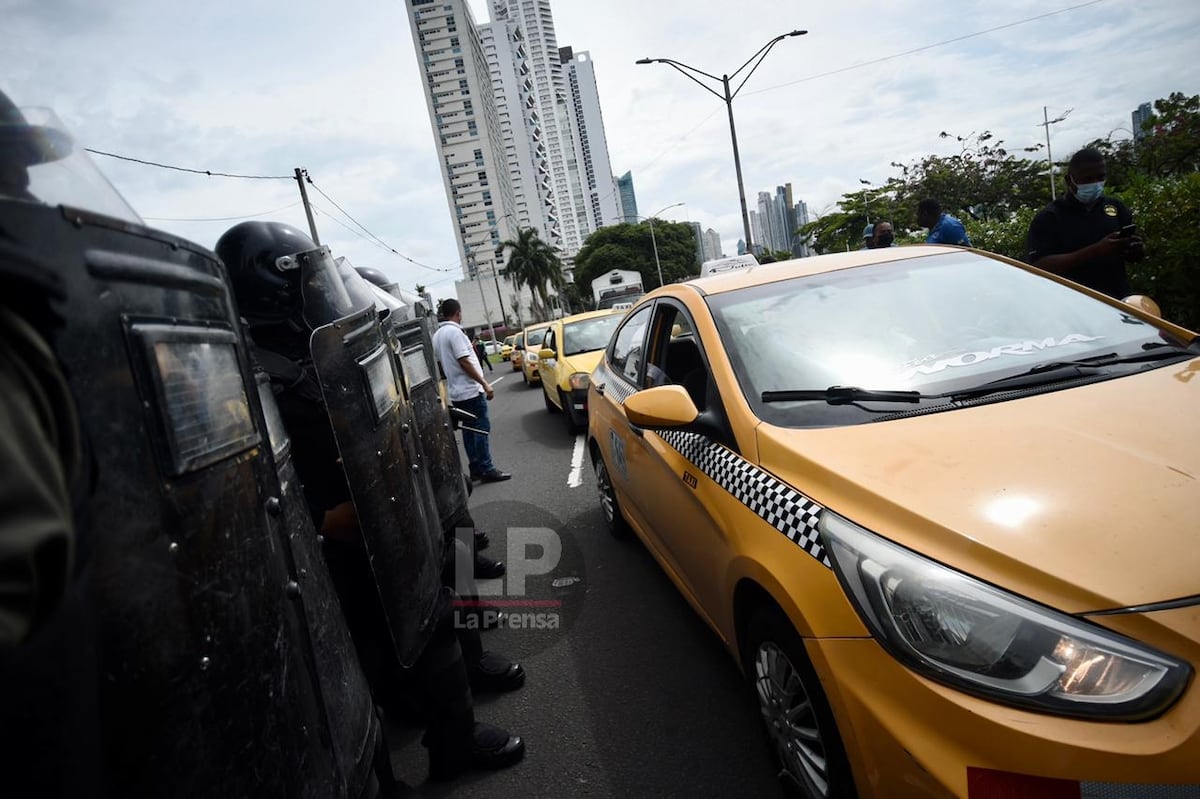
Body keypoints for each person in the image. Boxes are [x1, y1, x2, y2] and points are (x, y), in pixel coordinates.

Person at [215, 222, 525, 782]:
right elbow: (242, 484)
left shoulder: (317, 351)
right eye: (307, 278)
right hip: (326, 550)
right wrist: (317, 521)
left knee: (434, 611)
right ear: (272, 284)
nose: (320, 289)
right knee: (356, 666)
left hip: (386, 516)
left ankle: (458, 715)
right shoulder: (246, 373)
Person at [1025, 147, 1144, 299]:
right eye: (1087, 179)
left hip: (1116, 301)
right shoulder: (1050, 217)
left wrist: (1134, 249)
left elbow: (1131, 256)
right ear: (1069, 180)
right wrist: (1095, 251)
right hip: (1074, 304)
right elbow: (1038, 266)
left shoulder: (1115, 207)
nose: (1095, 184)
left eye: (1100, 177)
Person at [434, 299, 511, 483]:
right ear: (458, 313)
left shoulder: (437, 335)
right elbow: (464, 361)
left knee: (468, 430)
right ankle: (487, 468)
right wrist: (484, 383)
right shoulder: (455, 332)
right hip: (470, 390)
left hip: (456, 391)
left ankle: (475, 468)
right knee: (481, 429)